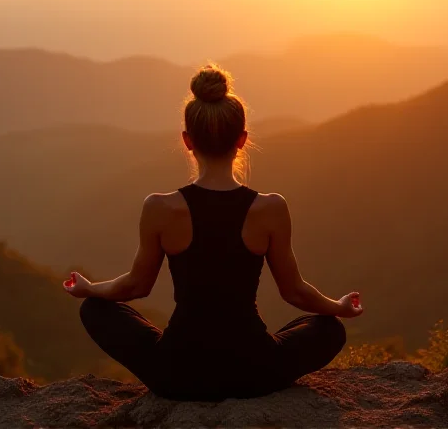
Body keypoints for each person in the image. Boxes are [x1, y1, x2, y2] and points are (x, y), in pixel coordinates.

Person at [63, 64, 363, 401]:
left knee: (94, 309)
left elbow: (136, 285)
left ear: (187, 141)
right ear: (242, 139)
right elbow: (294, 292)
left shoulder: (160, 208)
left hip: (177, 374)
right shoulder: (270, 209)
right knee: (328, 329)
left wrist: (90, 288)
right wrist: (336, 306)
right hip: (253, 372)